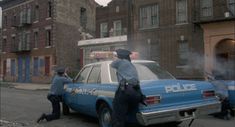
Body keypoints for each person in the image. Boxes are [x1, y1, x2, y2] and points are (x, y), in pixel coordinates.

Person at [111, 49, 145, 127]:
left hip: (125, 91)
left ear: (120, 56)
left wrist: (115, 57)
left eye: (117, 55)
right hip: (136, 93)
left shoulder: (120, 62)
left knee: (118, 117)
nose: (115, 57)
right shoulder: (131, 65)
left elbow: (112, 64)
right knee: (132, 117)